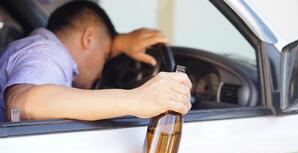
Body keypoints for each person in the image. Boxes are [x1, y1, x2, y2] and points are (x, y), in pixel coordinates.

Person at [0, 1, 192, 122]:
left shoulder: (35, 47)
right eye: (106, 56)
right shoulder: (47, 53)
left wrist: (116, 43)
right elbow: (21, 104)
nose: (101, 73)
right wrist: (137, 99)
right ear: (88, 38)